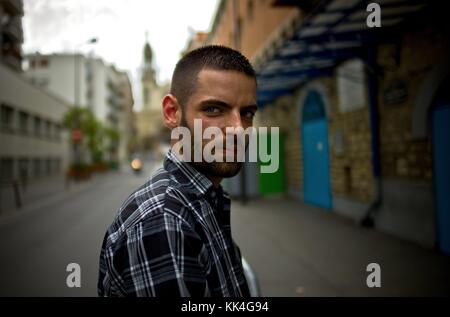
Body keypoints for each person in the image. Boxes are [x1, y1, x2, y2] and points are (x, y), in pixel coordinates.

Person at [98, 45, 258, 297]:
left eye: (247, 113)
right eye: (214, 109)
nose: (239, 129)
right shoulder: (162, 221)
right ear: (172, 113)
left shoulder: (206, 197)